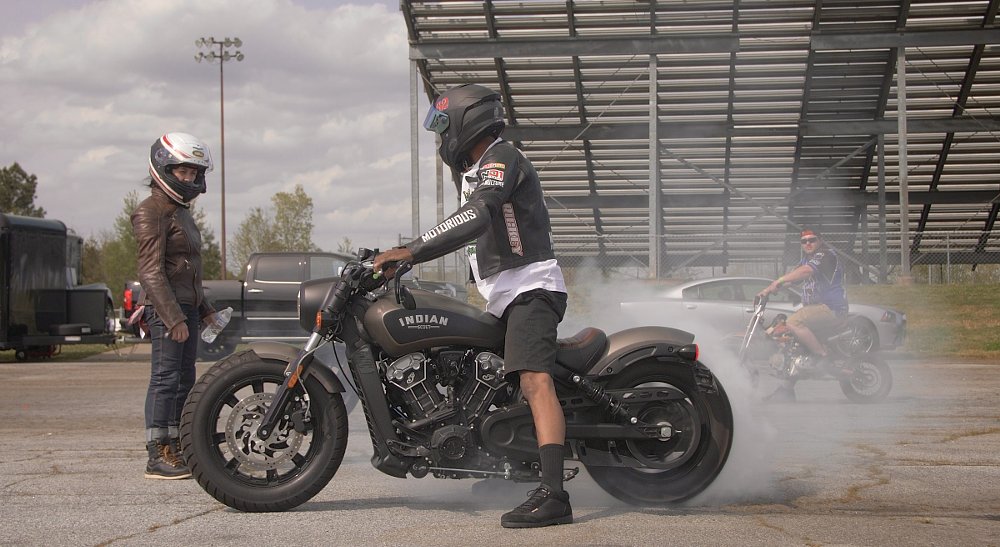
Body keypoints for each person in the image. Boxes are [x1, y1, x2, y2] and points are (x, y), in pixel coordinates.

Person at [374, 84, 572, 528]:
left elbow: (480, 215)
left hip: (531, 289)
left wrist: (411, 250)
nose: (441, 139)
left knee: (534, 378)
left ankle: (555, 494)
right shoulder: (480, 169)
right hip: (505, 294)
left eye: (443, 128)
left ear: (465, 123)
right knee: (485, 378)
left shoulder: (502, 157)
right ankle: (513, 465)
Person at [132, 132, 220, 479]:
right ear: (163, 168)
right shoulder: (150, 212)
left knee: (186, 379)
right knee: (165, 379)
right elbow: (150, 272)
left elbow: (189, 272)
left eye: (194, 173)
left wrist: (205, 308)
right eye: (182, 172)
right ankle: (157, 453)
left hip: (185, 307)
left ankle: (182, 444)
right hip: (165, 309)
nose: (189, 179)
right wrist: (173, 319)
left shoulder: (180, 212)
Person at [757, 228, 848, 402]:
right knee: (792, 345)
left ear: (820, 240)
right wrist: (769, 289)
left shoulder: (825, 255)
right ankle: (786, 391)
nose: (808, 243)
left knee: (794, 321)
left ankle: (823, 357)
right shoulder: (807, 259)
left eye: (812, 240)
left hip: (830, 308)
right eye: (804, 241)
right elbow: (793, 278)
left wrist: (779, 281)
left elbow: (805, 272)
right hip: (817, 310)